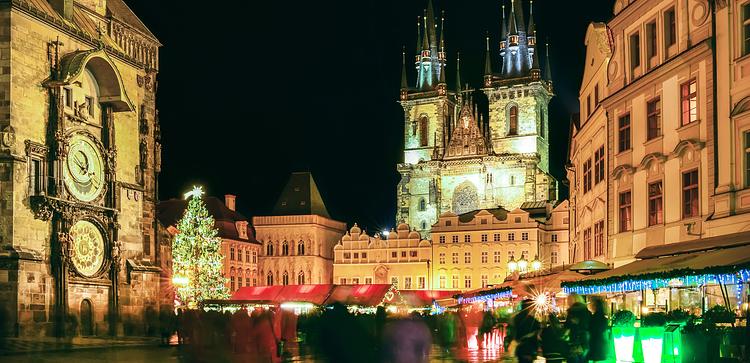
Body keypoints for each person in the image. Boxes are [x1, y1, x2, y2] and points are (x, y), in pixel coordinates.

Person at [565, 294, 591, 363]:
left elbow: (567, 327)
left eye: (569, 300)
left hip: (575, 342)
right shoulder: (587, 312)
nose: (567, 302)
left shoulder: (572, 312)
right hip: (585, 341)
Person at [588, 296, 609, 362]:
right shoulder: (603, 318)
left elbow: (589, 329)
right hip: (600, 340)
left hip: (593, 340)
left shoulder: (592, 317)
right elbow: (604, 332)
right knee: (597, 359)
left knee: (595, 358)